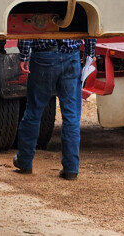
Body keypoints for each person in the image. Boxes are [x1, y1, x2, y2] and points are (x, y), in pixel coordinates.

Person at [13, 37, 96, 180]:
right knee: (71, 115)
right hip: (71, 56)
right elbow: (91, 22)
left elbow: (29, 24)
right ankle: (71, 169)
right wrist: (90, 53)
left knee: (34, 110)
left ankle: (25, 162)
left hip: (43, 57)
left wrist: (24, 55)